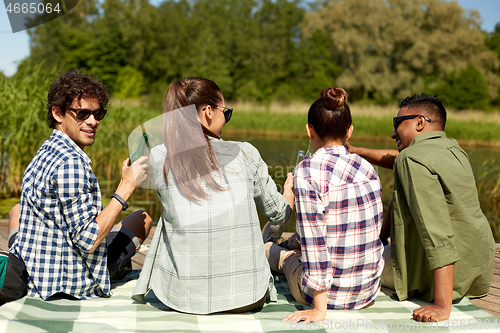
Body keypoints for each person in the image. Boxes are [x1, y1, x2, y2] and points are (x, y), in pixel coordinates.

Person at [132, 77, 294, 314]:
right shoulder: (246, 153)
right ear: (208, 111)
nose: (226, 120)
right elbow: (279, 214)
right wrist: (288, 193)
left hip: (180, 297)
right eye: (225, 112)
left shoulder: (159, 156)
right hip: (247, 296)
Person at [347, 94, 496, 322]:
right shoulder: (453, 150)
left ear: (419, 122)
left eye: (397, 123)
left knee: (340, 258)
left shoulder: (412, 160)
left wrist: (441, 305)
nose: (393, 132)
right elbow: (399, 159)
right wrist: (354, 150)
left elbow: (436, 233)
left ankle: (275, 255)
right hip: (476, 269)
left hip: (445, 281)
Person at [7, 69, 153, 301]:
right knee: (142, 218)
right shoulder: (72, 163)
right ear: (57, 113)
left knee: (16, 210)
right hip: (71, 283)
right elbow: (89, 241)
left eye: (98, 114)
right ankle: (118, 269)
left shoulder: (45, 151)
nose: (93, 122)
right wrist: (125, 187)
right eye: (83, 113)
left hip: (35, 274)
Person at [266, 88, 384, 323]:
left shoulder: (307, 171)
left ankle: (272, 244)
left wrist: (319, 310)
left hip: (327, 296)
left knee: (266, 249)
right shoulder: (367, 168)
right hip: (367, 290)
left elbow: (316, 244)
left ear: (309, 130)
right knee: (299, 243)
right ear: (349, 131)